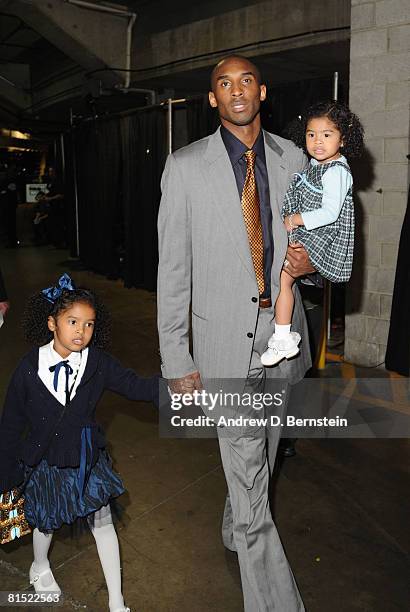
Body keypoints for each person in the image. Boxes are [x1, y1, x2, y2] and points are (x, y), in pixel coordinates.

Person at [157, 55, 316, 611]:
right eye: (223, 83)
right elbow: (173, 272)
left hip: (282, 336)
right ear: (212, 99)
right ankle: (273, 600)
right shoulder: (184, 167)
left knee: (261, 462)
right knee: (251, 479)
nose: (236, 90)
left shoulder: (295, 158)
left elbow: (320, 246)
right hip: (223, 345)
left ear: (262, 91)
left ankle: (236, 526)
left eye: (245, 80)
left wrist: (309, 264)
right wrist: (175, 359)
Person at [0, 273, 158, 612]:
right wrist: (6, 473)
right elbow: (11, 424)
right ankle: (39, 565)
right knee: (46, 522)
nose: (80, 332)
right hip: (45, 461)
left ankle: (117, 602)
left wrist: (172, 387)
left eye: (88, 324)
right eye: (72, 322)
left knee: (103, 524)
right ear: (51, 323)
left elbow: (134, 386)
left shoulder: (97, 363)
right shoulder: (29, 369)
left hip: (88, 459)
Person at [261, 101, 364, 367]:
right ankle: (282, 335)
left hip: (324, 235)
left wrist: (294, 219)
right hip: (310, 231)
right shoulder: (318, 165)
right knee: (282, 278)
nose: (317, 141)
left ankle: (283, 336)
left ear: (343, 139)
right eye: (311, 134)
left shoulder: (337, 172)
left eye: (327, 135)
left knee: (283, 277)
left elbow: (330, 213)